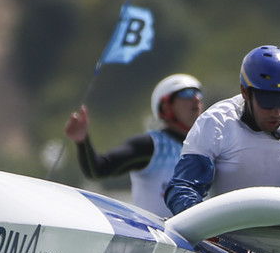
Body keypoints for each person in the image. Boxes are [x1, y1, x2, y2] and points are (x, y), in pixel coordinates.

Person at [163, 45, 280, 214]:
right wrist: (205, 230)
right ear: (245, 92)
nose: (277, 113)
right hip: (229, 232)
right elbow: (183, 188)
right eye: (268, 103)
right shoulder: (214, 123)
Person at [63, 73, 203, 217]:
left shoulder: (209, 146)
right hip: (159, 238)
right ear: (166, 107)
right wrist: (82, 140)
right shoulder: (150, 146)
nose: (196, 99)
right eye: (187, 94)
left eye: (198, 94)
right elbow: (98, 169)